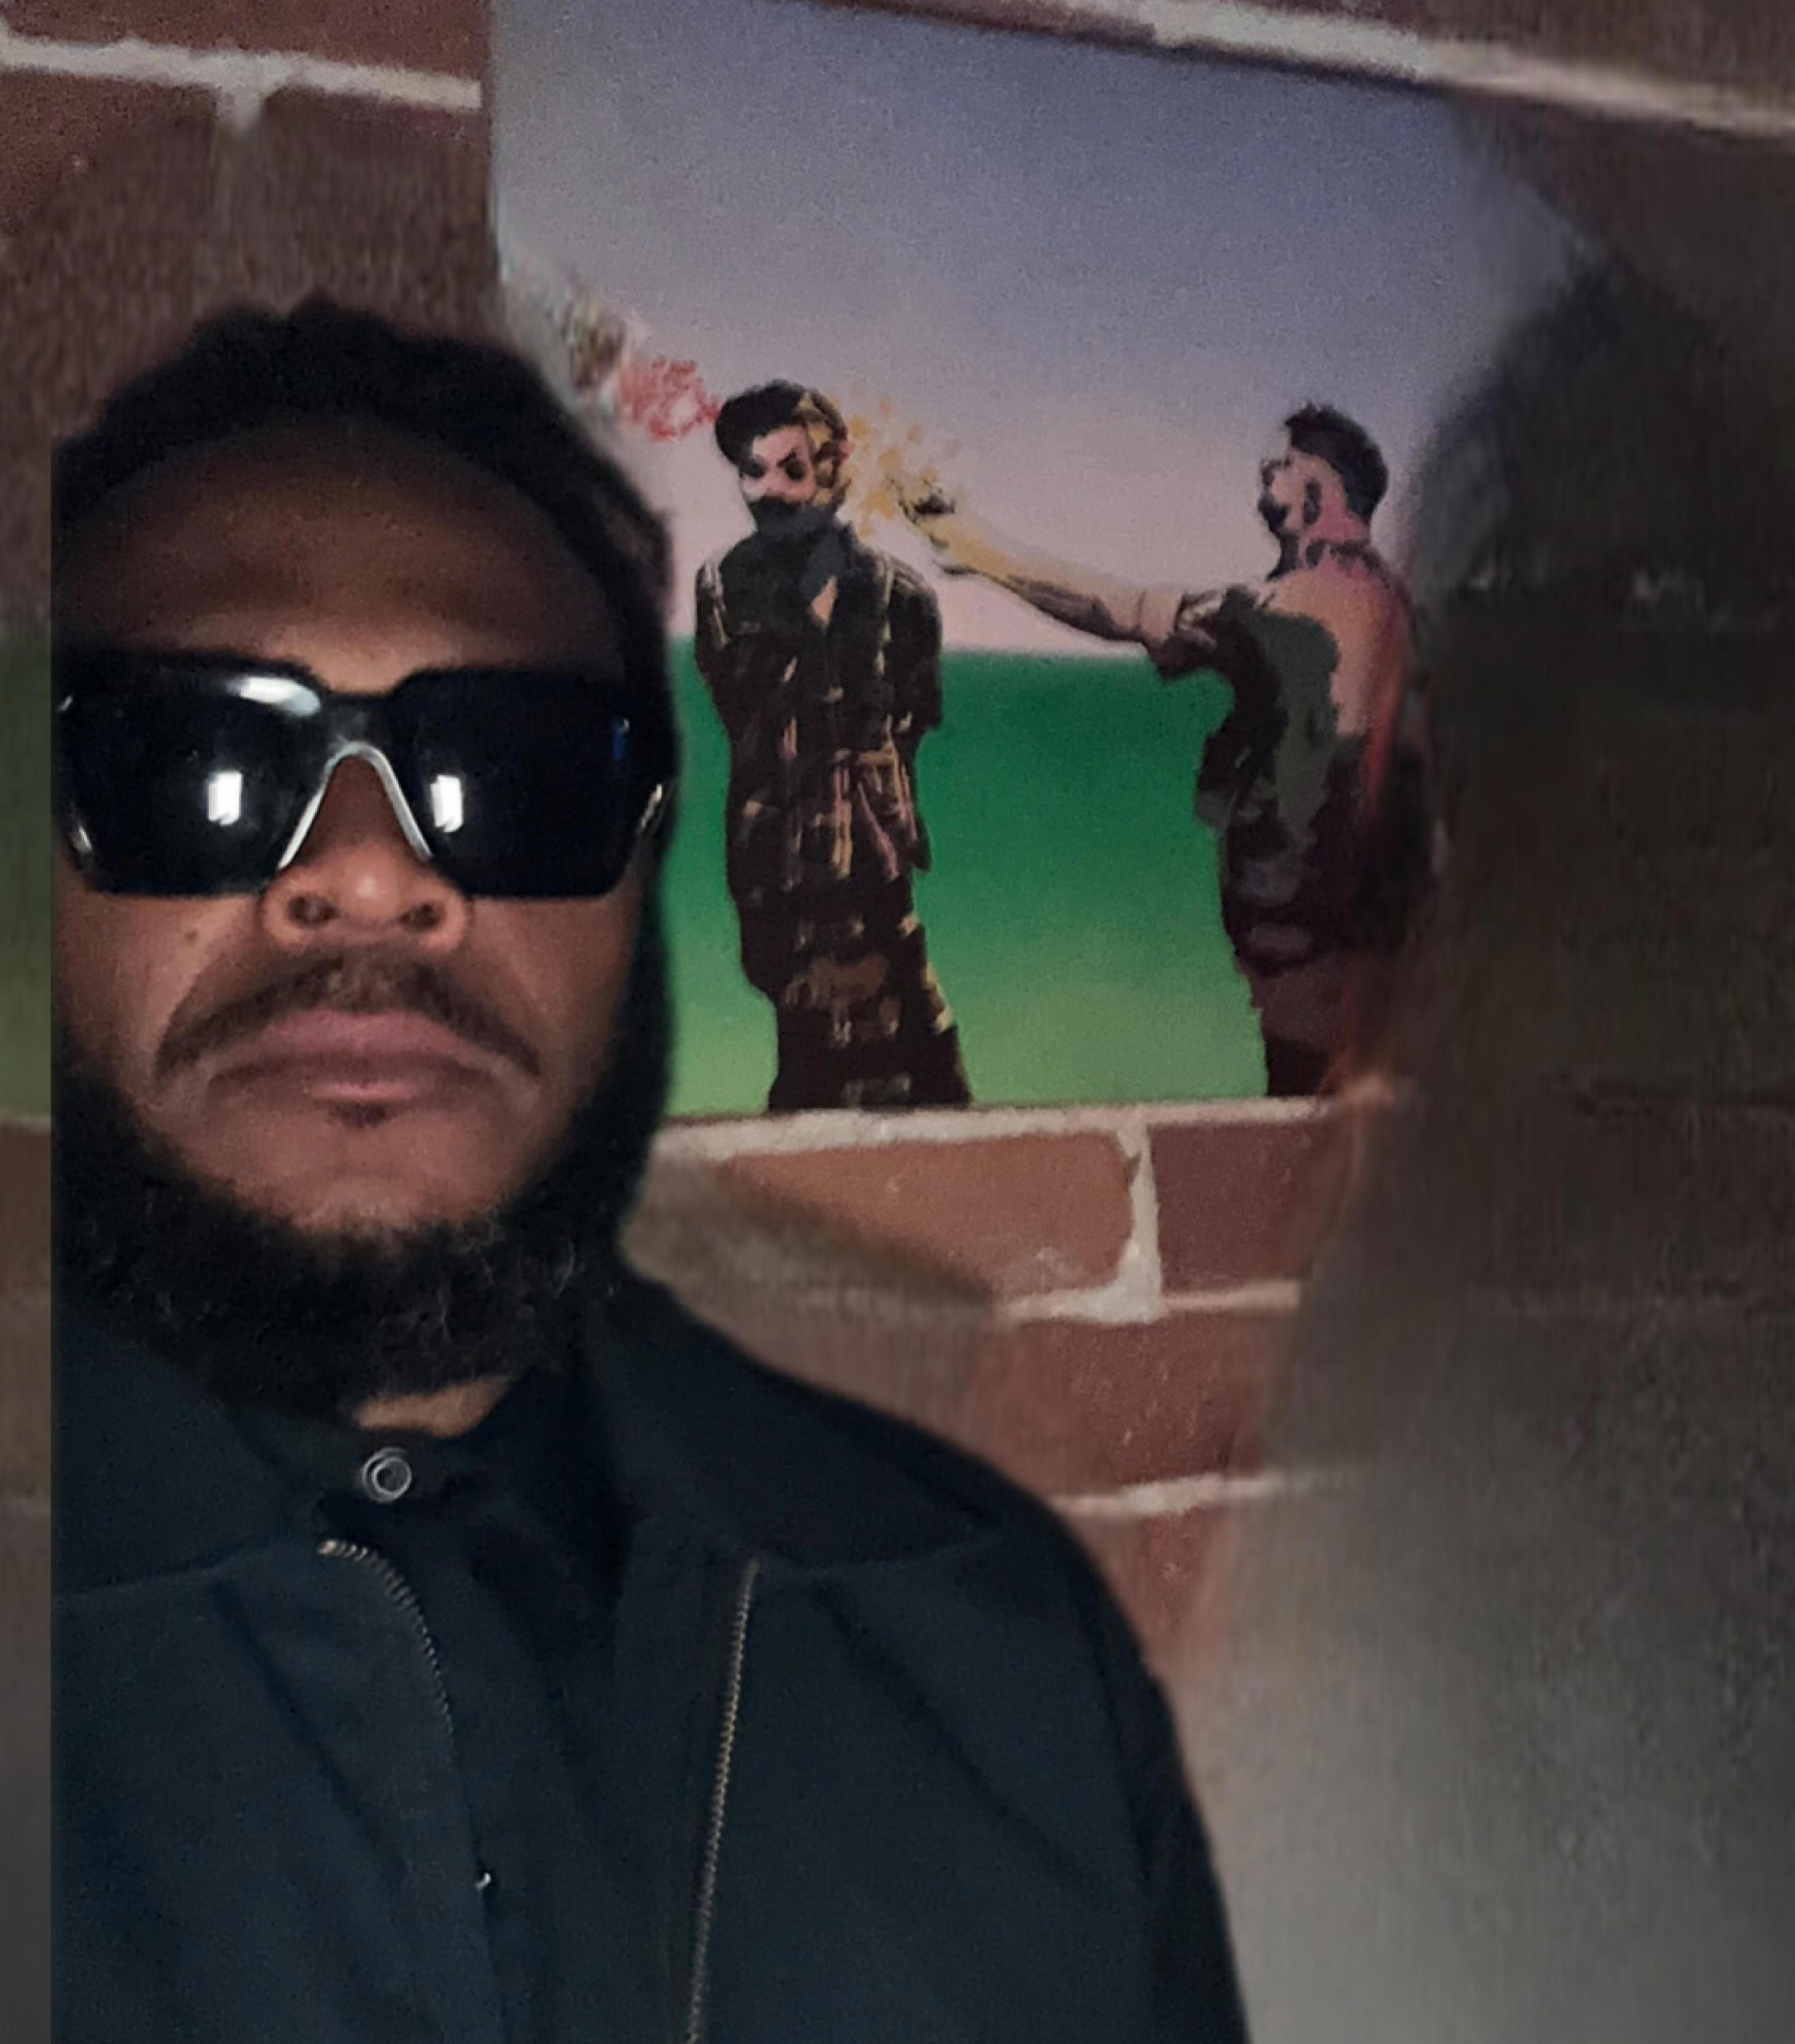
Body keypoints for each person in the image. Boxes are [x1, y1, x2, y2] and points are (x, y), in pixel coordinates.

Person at [52, 301, 1244, 2044]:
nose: (370, 876)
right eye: (196, 761)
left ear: (634, 877)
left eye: (517, 773)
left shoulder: (994, 1651)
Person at [903, 405, 1433, 1096]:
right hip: (1389, 934)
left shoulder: (1280, 611)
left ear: (1319, 491)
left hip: (1307, 939)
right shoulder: (1402, 610)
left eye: (1277, 470)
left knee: (1311, 1103)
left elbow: (1117, 608)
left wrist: (979, 550)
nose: (1262, 486)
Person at [696, 382, 970, 1111]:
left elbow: (912, 721)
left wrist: (871, 803)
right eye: (752, 472)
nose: (769, 491)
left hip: (878, 874)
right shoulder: (725, 589)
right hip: (780, 877)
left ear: (834, 470)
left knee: (928, 1070)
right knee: (819, 1057)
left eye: (791, 469)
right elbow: (738, 711)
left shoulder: (901, 597)